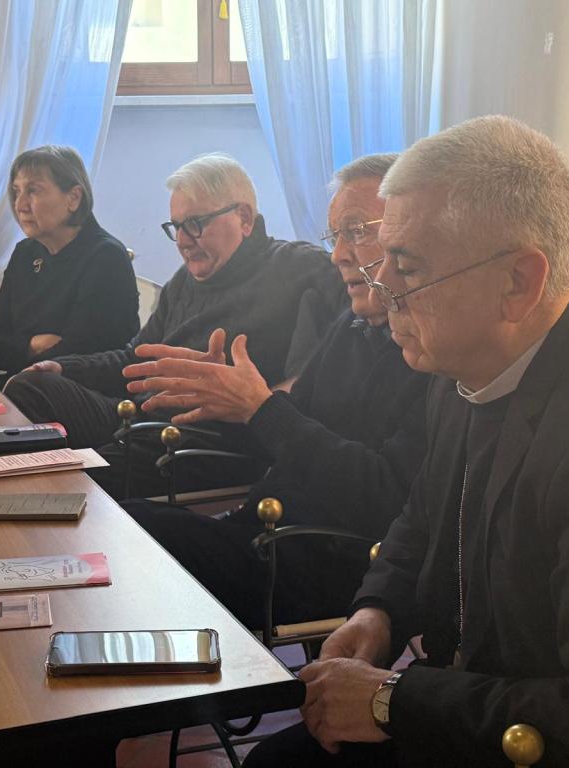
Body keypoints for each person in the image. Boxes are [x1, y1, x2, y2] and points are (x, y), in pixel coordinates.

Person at [245, 116, 569, 767]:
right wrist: (378, 610)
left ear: (518, 282)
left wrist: (392, 701)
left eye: (406, 265)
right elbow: (424, 517)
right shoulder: (464, 364)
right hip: (469, 706)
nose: (381, 287)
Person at [117, 154, 430, 628]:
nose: (339, 255)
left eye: (358, 230)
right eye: (336, 236)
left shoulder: (433, 359)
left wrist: (260, 407)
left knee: (125, 540)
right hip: (264, 527)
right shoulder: (352, 326)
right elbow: (291, 423)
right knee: (117, 524)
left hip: (329, 558)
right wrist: (225, 394)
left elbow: (383, 495)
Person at [4, 152, 346, 496]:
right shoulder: (184, 281)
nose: (183, 240)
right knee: (32, 386)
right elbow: (134, 358)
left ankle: (49, 506)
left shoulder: (302, 267)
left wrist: (269, 396)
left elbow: (347, 349)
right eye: (176, 226)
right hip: (141, 419)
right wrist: (64, 369)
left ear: (243, 218)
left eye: (195, 223)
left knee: (78, 480)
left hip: (207, 441)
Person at [0, 145, 139, 385]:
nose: (20, 205)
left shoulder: (105, 257)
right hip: (24, 383)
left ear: (74, 198)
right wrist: (34, 344)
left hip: (77, 396)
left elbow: (80, 356)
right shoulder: (25, 253)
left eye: (33, 191)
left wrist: (19, 347)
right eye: (16, 191)